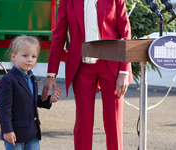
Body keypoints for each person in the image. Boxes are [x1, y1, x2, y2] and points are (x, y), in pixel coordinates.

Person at [42, 0, 133, 149]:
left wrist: (124, 71)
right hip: (82, 66)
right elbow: (60, 33)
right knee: (83, 122)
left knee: (113, 121)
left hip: (112, 65)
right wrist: (51, 74)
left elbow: (125, 31)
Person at [0, 35, 61, 150]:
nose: (30, 59)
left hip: (33, 133)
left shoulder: (32, 77)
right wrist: (7, 130)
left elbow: (30, 99)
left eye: (33, 56)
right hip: (15, 136)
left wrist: (48, 99)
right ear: (14, 57)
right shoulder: (8, 79)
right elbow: (4, 108)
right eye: (25, 55)